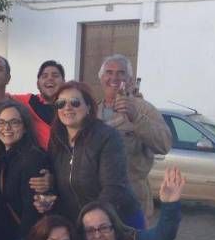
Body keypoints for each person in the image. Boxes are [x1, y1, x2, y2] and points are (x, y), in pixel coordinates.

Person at [48, 81, 144, 229]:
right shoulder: (56, 140)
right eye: (61, 103)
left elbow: (113, 188)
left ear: (88, 107)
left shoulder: (107, 137)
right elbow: (60, 184)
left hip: (118, 221)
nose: (67, 107)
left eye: (75, 102)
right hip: (80, 223)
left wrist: (90, 223)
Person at [96, 55, 171, 221]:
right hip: (98, 199)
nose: (114, 78)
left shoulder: (144, 109)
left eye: (120, 73)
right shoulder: (91, 110)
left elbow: (164, 144)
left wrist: (136, 118)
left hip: (132, 199)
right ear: (101, 78)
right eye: (109, 72)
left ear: (129, 79)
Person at [0, 32, 64, 148]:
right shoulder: (27, 101)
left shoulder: (73, 106)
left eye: (55, 75)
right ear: (37, 83)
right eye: (44, 76)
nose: (50, 79)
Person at [0, 101, 51, 240]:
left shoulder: (33, 158)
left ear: (25, 127)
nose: (6, 128)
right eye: (1, 122)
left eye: (14, 122)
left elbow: (33, 207)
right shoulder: (2, 158)